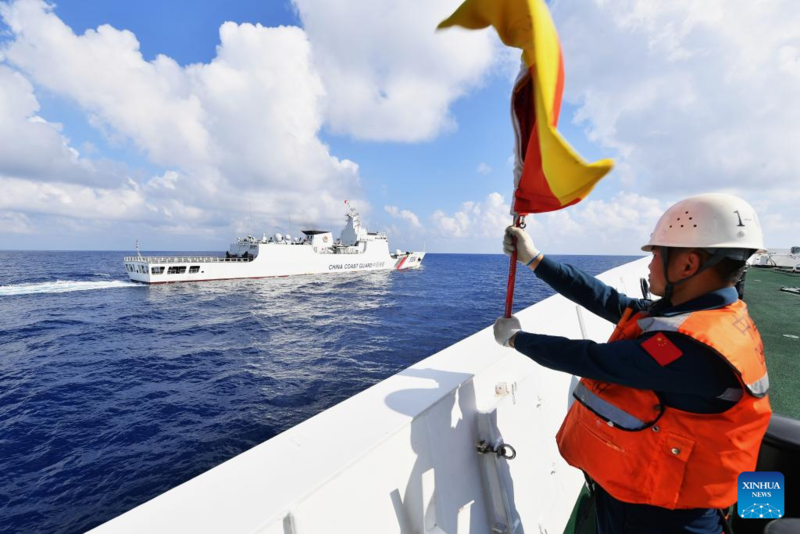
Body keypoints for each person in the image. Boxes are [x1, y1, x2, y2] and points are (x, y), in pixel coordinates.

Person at [493, 193, 772, 534]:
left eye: (657, 253)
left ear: (688, 264)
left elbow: (594, 359)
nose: (650, 263)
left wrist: (516, 339)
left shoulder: (694, 348)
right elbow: (610, 300)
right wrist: (535, 259)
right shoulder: (704, 314)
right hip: (649, 490)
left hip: (665, 517)